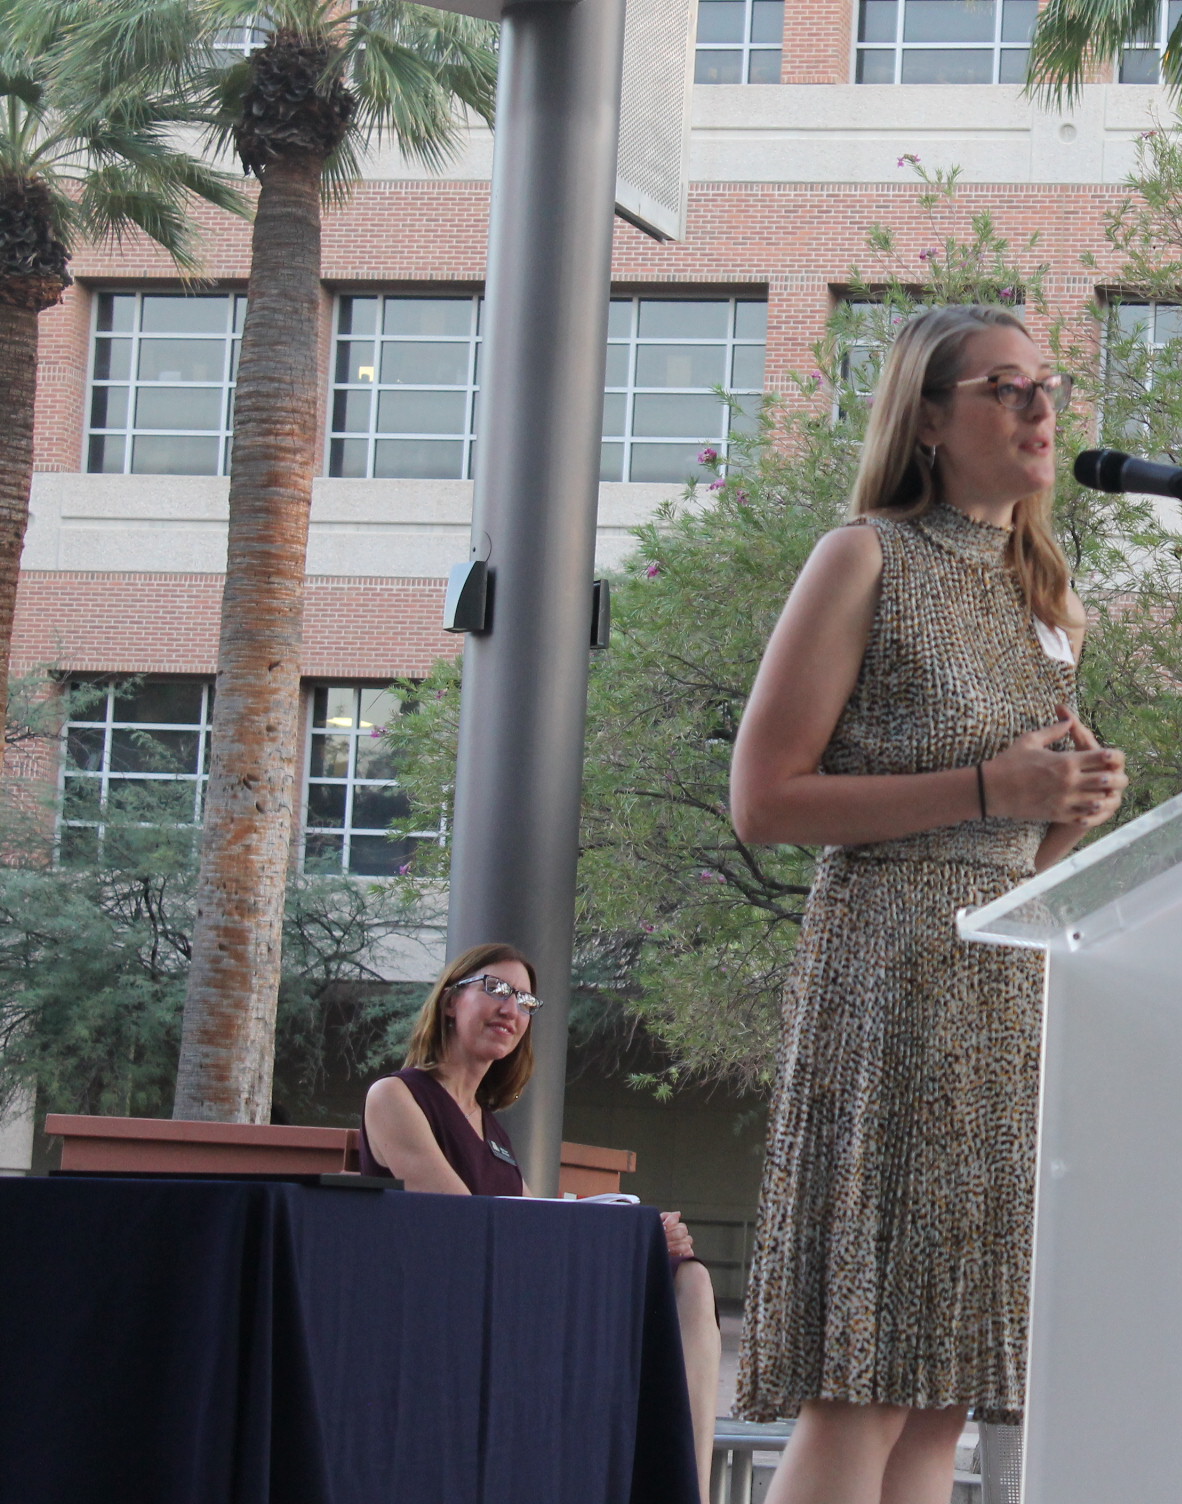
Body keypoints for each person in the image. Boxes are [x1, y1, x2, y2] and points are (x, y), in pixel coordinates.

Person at [728, 305, 1127, 1504]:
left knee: (942, 1384)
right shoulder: (866, 556)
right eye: (1005, 387)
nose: (1040, 407)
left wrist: (1068, 808)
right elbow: (765, 799)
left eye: (1046, 384)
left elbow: (1020, 840)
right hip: (892, 968)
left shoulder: (1044, 598)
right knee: (868, 1377)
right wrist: (986, 785)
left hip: (1005, 981)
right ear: (932, 418)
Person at [359, 942, 721, 1501]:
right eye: (496, 990)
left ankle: (685, 1486)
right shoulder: (397, 1096)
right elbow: (463, 1224)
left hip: (507, 1298)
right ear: (452, 1000)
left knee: (687, 1278)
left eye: (525, 1000)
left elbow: (535, 1218)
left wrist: (638, 1234)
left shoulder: (492, 1128)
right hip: (443, 1318)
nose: (511, 1010)